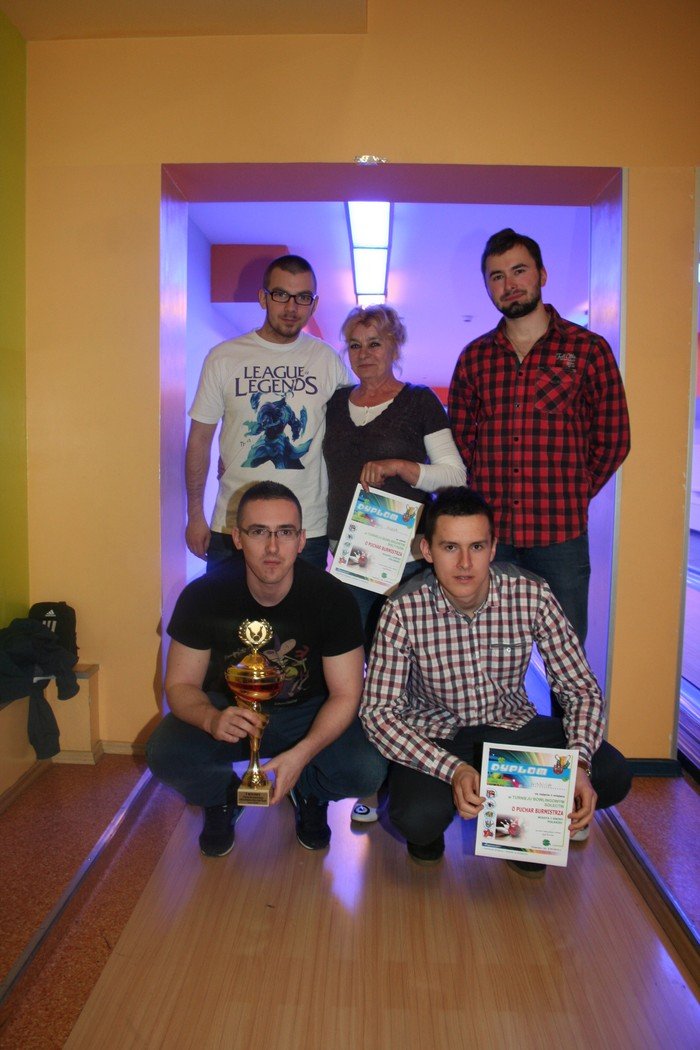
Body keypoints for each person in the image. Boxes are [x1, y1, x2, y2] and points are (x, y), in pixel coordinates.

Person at [360, 487, 631, 878]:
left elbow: (580, 689)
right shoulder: (401, 609)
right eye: (450, 547)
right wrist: (452, 770)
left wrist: (579, 763)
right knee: (416, 817)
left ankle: (520, 829)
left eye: (476, 546)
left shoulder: (531, 594)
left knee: (612, 772)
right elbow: (378, 714)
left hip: (512, 728)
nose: (465, 563)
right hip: (438, 734)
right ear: (427, 550)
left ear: (492, 548)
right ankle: (434, 828)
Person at [147, 481, 386, 858]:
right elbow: (179, 685)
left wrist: (303, 753)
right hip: (229, 712)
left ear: (302, 540)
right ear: (238, 538)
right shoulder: (202, 595)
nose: (273, 548)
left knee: (366, 769)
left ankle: (309, 791)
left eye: (285, 532)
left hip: (307, 714)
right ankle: (223, 797)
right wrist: (211, 719)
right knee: (165, 752)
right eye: (259, 532)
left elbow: (347, 694)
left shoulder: (333, 598)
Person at [448, 229, 630, 713]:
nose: (509, 284)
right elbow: (463, 440)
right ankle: (493, 744)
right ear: (488, 287)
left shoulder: (587, 350)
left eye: (519, 271)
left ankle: (571, 753)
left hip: (560, 538)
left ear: (542, 275)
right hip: (493, 540)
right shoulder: (475, 358)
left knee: (566, 659)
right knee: (484, 654)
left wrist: (573, 492)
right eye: (496, 276)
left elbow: (614, 437)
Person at [323, 304, 465, 824]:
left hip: (404, 559)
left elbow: (454, 473)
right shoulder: (336, 404)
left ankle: (408, 780)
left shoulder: (419, 401)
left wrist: (403, 467)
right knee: (355, 672)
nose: (364, 354)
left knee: (405, 672)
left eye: (375, 343)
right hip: (350, 557)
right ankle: (369, 775)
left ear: (395, 346)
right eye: (355, 345)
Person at [185, 254, 350, 572]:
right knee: (228, 606)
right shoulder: (224, 358)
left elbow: (350, 435)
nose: (291, 307)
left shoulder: (328, 361)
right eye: (281, 294)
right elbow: (199, 440)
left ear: (314, 305)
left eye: (303, 297)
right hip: (234, 527)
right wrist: (195, 515)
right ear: (263, 298)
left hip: (306, 530)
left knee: (303, 608)